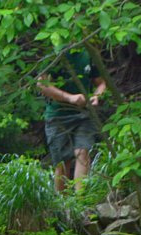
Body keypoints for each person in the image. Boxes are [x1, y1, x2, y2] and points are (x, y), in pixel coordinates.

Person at [37, 45, 107, 192]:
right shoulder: (55, 53)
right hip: (58, 115)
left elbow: (101, 83)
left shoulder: (88, 53)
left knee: (83, 152)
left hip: (83, 113)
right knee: (63, 162)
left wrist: (96, 96)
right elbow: (42, 84)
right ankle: (62, 201)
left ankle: (80, 198)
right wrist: (70, 98)